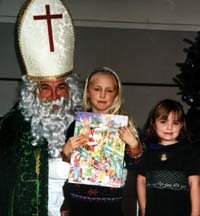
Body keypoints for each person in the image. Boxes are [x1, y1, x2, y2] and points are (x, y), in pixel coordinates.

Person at [0, 0, 82, 215]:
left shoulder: (84, 122)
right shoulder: (12, 127)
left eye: (61, 87)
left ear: (70, 89)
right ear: (32, 91)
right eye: (46, 88)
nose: (55, 96)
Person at [61, 66, 143, 216]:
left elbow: (137, 164)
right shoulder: (76, 125)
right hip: (79, 199)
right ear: (88, 92)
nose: (103, 95)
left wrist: (134, 145)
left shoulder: (124, 126)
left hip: (111, 201)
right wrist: (66, 152)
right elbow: (69, 166)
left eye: (109, 91)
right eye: (97, 89)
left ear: (116, 95)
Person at [137, 99, 200, 216]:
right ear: (153, 123)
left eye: (175, 123)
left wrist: (195, 213)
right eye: (163, 121)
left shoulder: (189, 152)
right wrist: (144, 210)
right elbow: (141, 180)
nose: (169, 127)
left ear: (181, 125)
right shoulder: (148, 151)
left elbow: (195, 184)